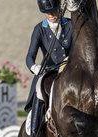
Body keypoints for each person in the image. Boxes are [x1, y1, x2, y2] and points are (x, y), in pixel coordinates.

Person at [24, 0, 72, 136]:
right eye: (47, 12)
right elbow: (30, 55)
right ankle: (35, 130)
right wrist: (34, 67)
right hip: (49, 70)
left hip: (69, 68)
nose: (52, 14)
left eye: (54, 10)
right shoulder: (39, 29)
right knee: (39, 90)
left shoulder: (70, 24)